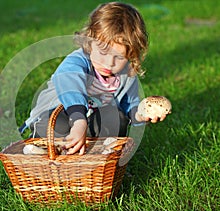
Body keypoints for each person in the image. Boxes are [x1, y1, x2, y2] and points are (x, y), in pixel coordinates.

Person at [19, 2, 167, 155]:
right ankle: (43, 149)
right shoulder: (77, 61)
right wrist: (79, 121)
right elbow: (71, 88)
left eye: (119, 57)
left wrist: (141, 114)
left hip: (89, 121)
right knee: (57, 123)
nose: (109, 63)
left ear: (131, 55)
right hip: (62, 111)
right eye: (103, 53)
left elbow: (128, 106)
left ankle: (101, 155)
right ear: (90, 42)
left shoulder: (125, 75)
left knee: (117, 117)